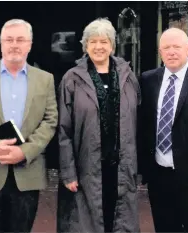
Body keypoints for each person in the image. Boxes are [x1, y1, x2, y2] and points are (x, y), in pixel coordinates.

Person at [57, 18, 141, 233]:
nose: (99, 47)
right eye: (93, 42)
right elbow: (63, 130)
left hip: (120, 168)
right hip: (87, 169)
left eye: (104, 41)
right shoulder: (72, 79)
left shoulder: (128, 77)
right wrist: (68, 172)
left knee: (119, 220)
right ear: (85, 46)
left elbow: (138, 121)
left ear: (112, 45)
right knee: (87, 223)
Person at [0, 19, 58, 233]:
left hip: (27, 173)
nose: (14, 44)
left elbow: (51, 120)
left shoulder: (45, 80)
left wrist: (25, 151)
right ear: (1, 43)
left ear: (30, 44)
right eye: (9, 39)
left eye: (20, 39)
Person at [137, 28, 188, 232]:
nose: (171, 52)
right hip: (159, 175)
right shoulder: (147, 80)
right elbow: (143, 123)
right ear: (160, 52)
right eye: (166, 48)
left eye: (177, 47)